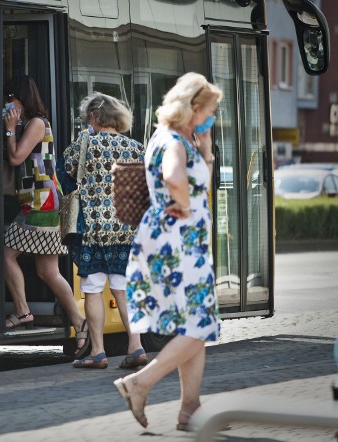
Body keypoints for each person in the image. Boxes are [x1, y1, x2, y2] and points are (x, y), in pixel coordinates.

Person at [113, 72, 222, 430]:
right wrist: (186, 207)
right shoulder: (174, 141)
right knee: (200, 324)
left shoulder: (168, 137)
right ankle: (139, 383)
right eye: (209, 110)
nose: (212, 117)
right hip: (180, 245)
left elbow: (192, 177)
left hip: (169, 242)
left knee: (192, 326)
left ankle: (190, 410)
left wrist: (205, 151)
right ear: (193, 108)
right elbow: (175, 177)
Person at [57, 92, 148, 370]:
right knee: (122, 289)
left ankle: (98, 351)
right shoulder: (136, 147)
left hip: (93, 230)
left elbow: (64, 176)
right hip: (126, 230)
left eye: (88, 118)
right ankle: (136, 347)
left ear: (95, 117)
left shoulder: (83, 144)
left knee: (93, 290)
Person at [2, 75, 88, 356]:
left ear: (21, 98)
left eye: (11, 98)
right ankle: (80, 324)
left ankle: (23, 311)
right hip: (43, 200)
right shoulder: (32, 123)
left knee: (5, 254)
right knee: (47, 271)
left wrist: (9, 129)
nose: (8, 104)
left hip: (42, 202)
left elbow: (16, 157)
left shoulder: (37, 123)